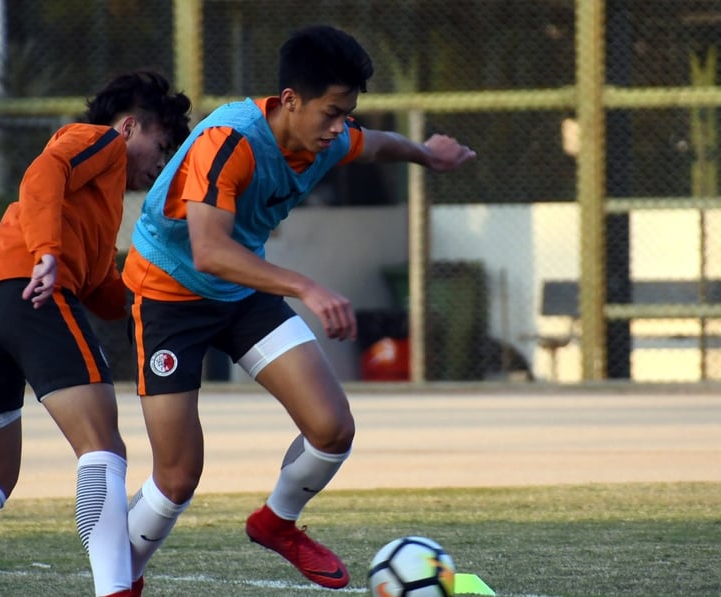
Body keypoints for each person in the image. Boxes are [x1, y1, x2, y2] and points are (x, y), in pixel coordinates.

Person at [122, 25, 475, 592]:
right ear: (290, 101)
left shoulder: (325, 137)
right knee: (177, 477)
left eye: (346, 114)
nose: (340, 128)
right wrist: (306, 288)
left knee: (332, 428)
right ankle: (122, 581)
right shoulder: (230, 141)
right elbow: (210, 252)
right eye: (332, 113)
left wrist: (426, 155)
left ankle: (276, 523)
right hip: (169, 296)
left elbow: (376, 142)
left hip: (240, 291)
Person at [0, 70, 191, 597]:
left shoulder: (101, 202)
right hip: (28, 289)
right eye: (162, 144)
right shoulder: (102, 142)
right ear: (131, 126)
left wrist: (174, 298)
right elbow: (45, 170)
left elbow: (105, 292)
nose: (163, 161)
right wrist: (46, 252)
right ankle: (116, 589)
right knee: (102, 449)